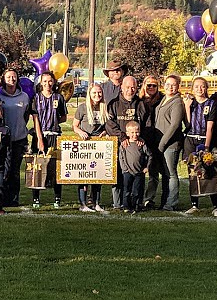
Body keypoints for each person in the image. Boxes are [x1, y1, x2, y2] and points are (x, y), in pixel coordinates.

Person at [182, 77, 217, 217]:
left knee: (210, 171)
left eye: (202, 86)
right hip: (190, 140)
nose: (199, 89)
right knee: (193, 173)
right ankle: (194, 204)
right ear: (192, 88)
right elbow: (187, 125)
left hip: (205, 140)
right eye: (197, 86)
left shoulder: (211, 104)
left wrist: (206, 147)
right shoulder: (190, 103)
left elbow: (210, 126)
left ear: (206, 88)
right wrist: (187, 107)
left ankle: (216, 206)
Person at [29, 71, 68, 208]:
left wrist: (55, 120)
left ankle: (57, 198)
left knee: (56, 168)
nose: (47, 84)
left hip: (55, 136)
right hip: (40, 136)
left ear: (54, 82)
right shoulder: (36, 98)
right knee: (38, 168)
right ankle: (36, 199)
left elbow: (64, 116)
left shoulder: (59, 97)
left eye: (50, 81)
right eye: (44, 81)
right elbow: (35, 119)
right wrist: (39, 138)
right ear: (40, 83)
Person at [105, 75, 143, 210]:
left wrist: (140, 138)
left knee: (136, 175)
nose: (130, 90)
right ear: (121, 87)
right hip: (120, 145)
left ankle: (136, 203)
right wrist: (122, 137)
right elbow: (109, 124)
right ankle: (117, 203)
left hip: (136, 147)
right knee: (118, 174)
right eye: (127, 87)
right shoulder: (114, 104)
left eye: (133, 87)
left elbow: (147, 123)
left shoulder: (140, 104)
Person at [0, 68, 31, 207]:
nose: (12, 79)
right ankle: (3, 198)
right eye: (9, 77)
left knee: (15, 171)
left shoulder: (24, 97)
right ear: (4, 79)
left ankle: (14, 199)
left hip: (19, 139)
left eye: (14, 77)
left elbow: (26, 115)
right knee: (4, 169)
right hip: (4, 139)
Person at [72, 82, 108, 212]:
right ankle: (83, 204)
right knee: (84, 174)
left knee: (97, 174)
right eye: (94, 93)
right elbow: (74, 125)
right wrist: (80, 132)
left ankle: (96, 203)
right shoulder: (82, 107)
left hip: (99, 144)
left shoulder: (105, 107)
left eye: (99, 92)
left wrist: (105, 132)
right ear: (89, 94)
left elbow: (107, 126)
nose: (97, 95)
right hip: (85, 145)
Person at [154, 75, 187, 211]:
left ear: (178, 86)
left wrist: (162, 144)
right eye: (168, 84)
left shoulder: (177, 102)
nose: (170, 87)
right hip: (160, 143)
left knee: (171, 174)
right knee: (165, 174)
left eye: (173, 84)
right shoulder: (163, 99)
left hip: (170, 144)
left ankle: (171, 203)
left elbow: (174, 125)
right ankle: (164, 201)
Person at [139, 75, 164, 209]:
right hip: (141, 139)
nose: (151, 88)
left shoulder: (162, 99)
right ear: (144, 85)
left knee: (154, 172)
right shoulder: (139, 101)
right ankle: (138, 196)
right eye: (149, 85)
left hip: (157, 139)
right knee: (140, 170)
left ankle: (149, 198)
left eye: (154, 85)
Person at [119, 121, 152, 214]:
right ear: (127, 133)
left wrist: (147, 167)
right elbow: (121, 157)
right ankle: (126, 206)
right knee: (126, 190)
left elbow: (149, 155)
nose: (135, 134)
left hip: (139, 172)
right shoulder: (124, 144)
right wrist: (124, 169)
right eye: (132, 132)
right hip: (127, 171)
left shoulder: (141, 143)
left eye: (136, 132)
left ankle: (136, 206)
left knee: (137, 190)